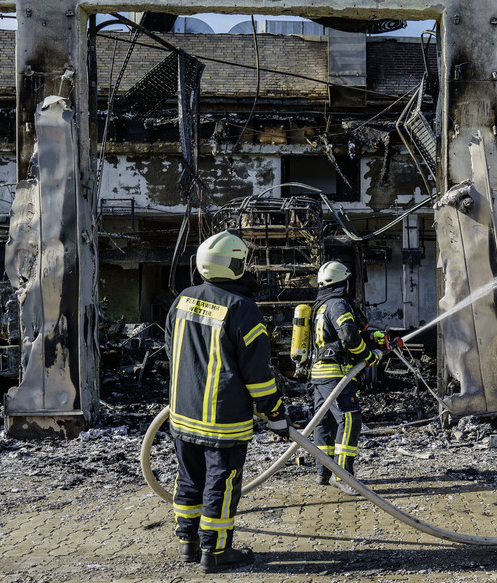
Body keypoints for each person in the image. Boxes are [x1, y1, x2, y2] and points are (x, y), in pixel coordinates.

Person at [165, 230, 289, 573]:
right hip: (223, 420)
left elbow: (173, 354)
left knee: (190, 480)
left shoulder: (182, 300)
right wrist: (274, 412)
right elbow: (258, 375)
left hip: (182, 416)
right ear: (234, 265)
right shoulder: (243, 309)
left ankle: (188, 545)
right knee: (221, 483)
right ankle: (216, 552)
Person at [309, 260, 384, 496]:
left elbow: (345, 334)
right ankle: (343, 476)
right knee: (350, 419)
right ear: (344, 282)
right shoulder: (338, 303)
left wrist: (375, 337)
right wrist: (368, 355)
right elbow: (349, 337)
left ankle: (324, 472)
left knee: (324, 422)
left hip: (319, 373)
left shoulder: (320, 306)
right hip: (337, 373)